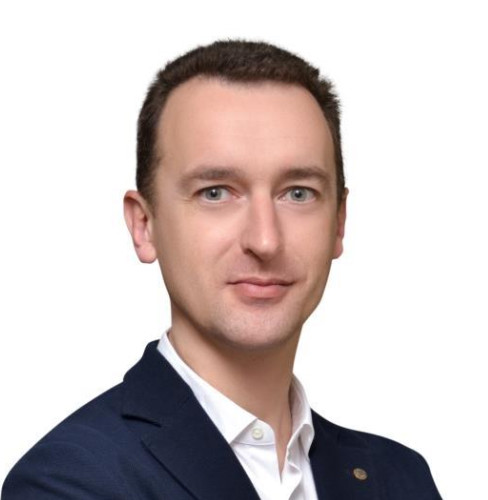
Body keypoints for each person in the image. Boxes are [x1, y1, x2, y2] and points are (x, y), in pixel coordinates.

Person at [1, 40, 441, 499]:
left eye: (298, 193)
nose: (265, 240)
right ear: (144, 225)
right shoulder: (69, 480)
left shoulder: (401, 478)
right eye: (215, 193)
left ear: (339, 222)